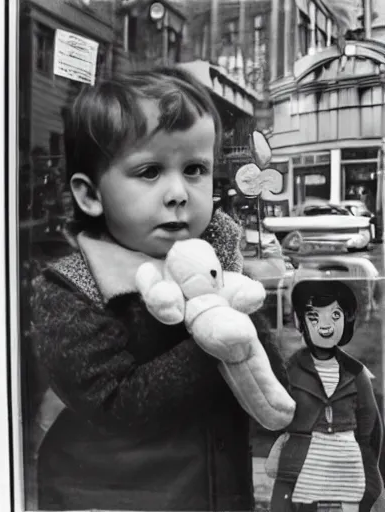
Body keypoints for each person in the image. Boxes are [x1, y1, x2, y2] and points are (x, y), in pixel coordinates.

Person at [26, 67, 287, 511]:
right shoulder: (73, 289)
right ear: (91, 196)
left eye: (194, 169)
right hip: (111, 497)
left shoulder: (217, 269)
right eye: (149, 171)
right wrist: (212, 333)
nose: (178, 193)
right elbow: (114, 405)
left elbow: (266, 384)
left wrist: (244, 325)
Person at [269, 279, 385, 512]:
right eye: (314, 317)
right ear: (302, 322)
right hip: (303, 479)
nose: (325, 326)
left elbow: (370, 430)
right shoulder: (290, 371)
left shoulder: (356, 372)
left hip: (348, 479)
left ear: (347, 319)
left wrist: (371, 477)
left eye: (335, 316)